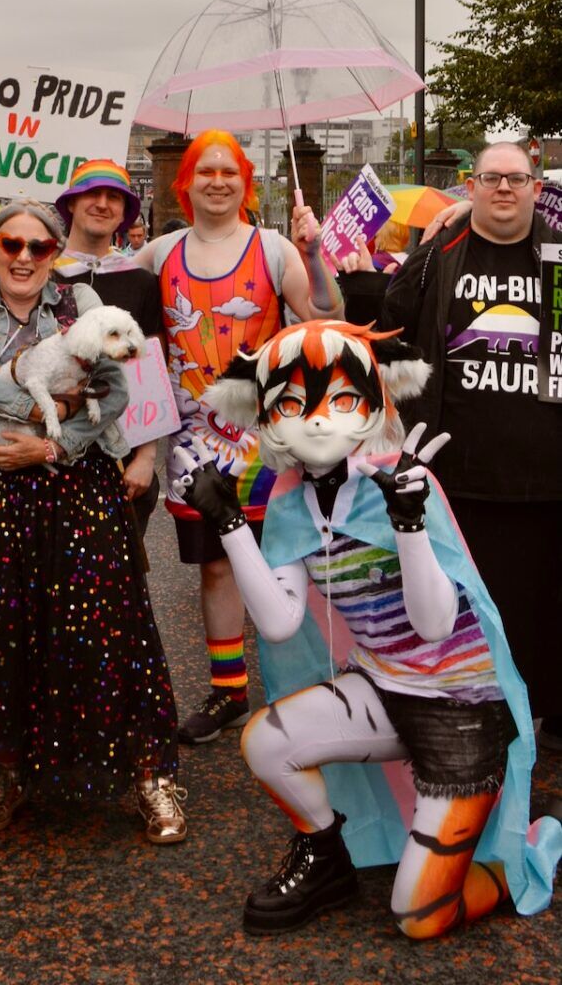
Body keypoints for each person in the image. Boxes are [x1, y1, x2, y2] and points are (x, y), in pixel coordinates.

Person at [172, 320, 559, 938]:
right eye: (293, 403)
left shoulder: (402, 485)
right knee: (267, 744)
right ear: (267, 417)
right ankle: (326, 858)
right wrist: (227, 522)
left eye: (343, 400)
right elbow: (277, 623)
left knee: (419, 918)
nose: (319, 421)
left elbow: (435, 626)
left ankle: (513, 863)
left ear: (377, 405)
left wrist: (408, 523)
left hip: (460, 709)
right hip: (383, 688)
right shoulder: (291, 501)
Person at [0, 199, 185, 843]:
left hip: (78, 486)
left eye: (38, 247)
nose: (22, 257)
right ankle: (5, 774)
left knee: (109, 625)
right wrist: (50, 400)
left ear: (54, 255)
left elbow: (119, 391)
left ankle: (150, 776)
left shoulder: (83, 306)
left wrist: (51, 441)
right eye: (9, 245)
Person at [134, 130, 343, 744]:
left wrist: (314, 253)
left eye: (229, 171)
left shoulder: (274, 248)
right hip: (192, 447)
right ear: (187, 183)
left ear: (246, 181)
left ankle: (308, 690)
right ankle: (229, 692)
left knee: (290, 564)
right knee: (220, 568)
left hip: (268, 443)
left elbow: (323, 319)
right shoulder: (159, 253)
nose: (218, 181)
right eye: (206, 171)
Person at [380, 142, 561, 730]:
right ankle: (473, 713)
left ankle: (535, 718)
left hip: (546, 478)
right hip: (456, 479)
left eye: (516, 179)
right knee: (466, 612)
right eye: (490, 178)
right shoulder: (442, 255)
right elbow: (391, 317)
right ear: (471, 187)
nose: (503, 189)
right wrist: (428, 242)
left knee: (540, 611)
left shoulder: (557, 255)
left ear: (537, 188)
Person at [53, 159, 162, 536]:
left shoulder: (142, 281)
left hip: (125, 455)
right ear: (71, 204)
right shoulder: (43, 274)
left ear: (124, 213)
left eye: (113, 197)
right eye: (92, 194)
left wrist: (147, 457)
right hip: (54, 450)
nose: (102, 204)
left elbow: (150, 370)